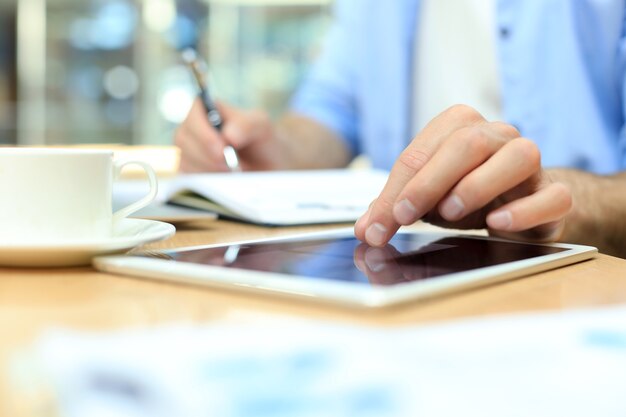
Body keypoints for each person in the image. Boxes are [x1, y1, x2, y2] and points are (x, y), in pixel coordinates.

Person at [175, 0, 626, 256]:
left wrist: (566, 202)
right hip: (402, 269)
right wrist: (278, 148)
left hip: (581, 277)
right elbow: (332, 109)